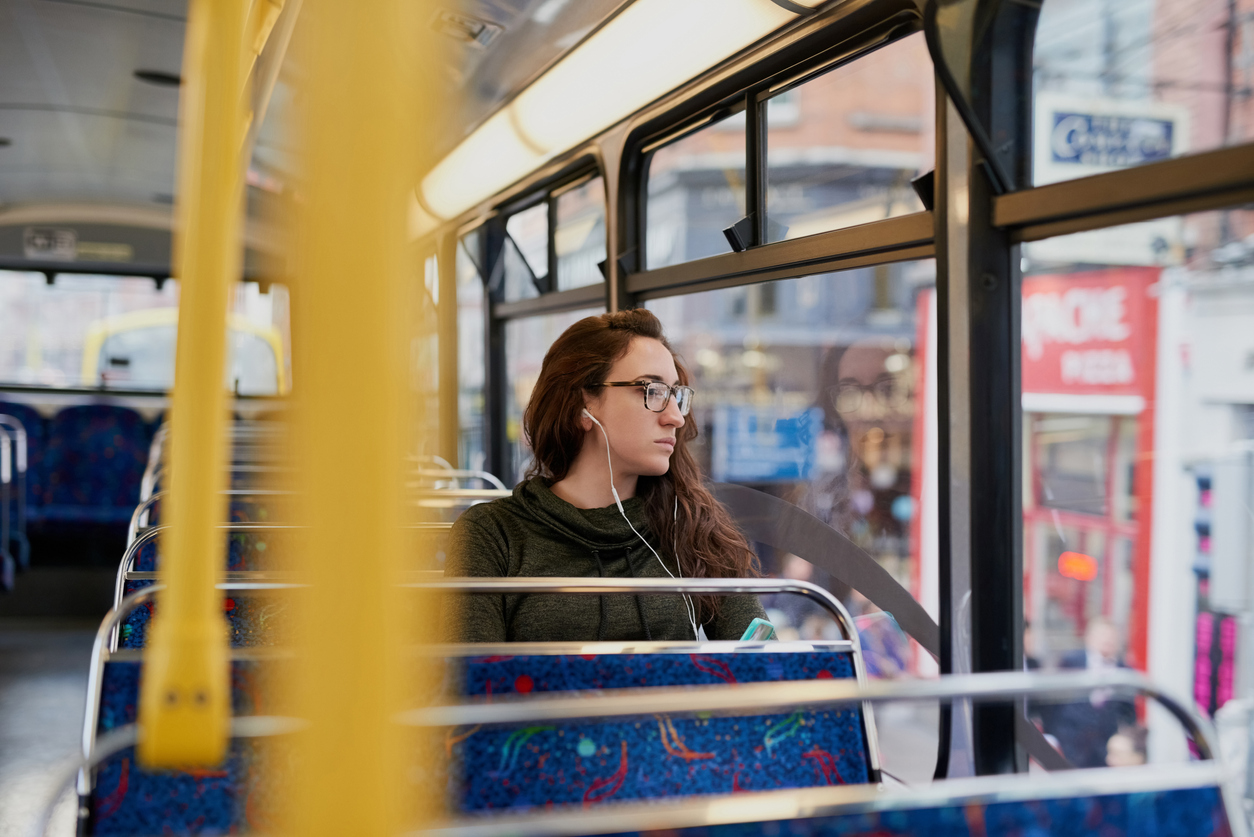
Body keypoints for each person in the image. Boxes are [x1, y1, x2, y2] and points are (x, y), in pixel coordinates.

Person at [444, 309, 767, 643]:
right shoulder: (493, 535)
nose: (675, 417)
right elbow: (469, 684)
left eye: (676, 395)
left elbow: (764, 666)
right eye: (653, 390)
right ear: (585, 404)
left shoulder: (689, 522)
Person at [1044, 618, 1136, 768]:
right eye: (1102, 635)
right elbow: (1052, 702)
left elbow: (1129, 713)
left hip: (1106, 748)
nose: (1107, 640)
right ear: (1089, 638)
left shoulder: (1125, 671)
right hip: (1071, 741)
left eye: (1112, 637)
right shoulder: (1071, 662)